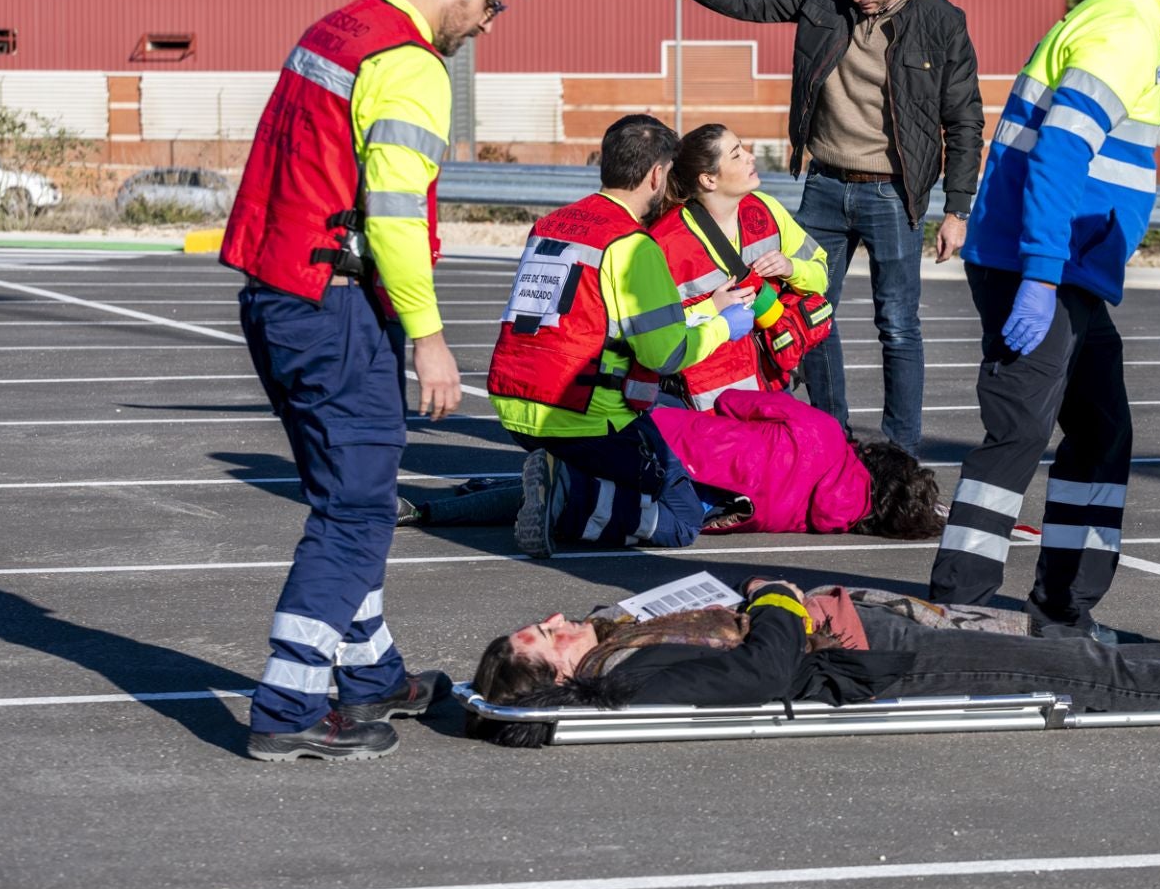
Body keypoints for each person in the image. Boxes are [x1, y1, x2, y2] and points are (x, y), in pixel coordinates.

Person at [222, 0, 531, 762]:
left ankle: (370, 677)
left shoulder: (338, 28)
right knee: (357, 508)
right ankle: (287, 706)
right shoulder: (411, 62)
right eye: (492, 4)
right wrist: (429, 337)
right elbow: (393, 213)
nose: (488, 24)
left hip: (279, 293)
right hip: (336, 310)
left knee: (343, 492)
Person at [927, 0, 1160, 640]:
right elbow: (1060, 155)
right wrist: (1040, 276)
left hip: (1064, 267)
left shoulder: (1120, 18)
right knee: (1020, 432)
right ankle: (957, 609)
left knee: (1100, 431)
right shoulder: (1124, 29)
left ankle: (1063, 609)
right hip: (1043, 264)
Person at [641, 0, 983, 456]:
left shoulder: (941, 21)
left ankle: (901, 452)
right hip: (824, 183)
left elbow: (964, 120)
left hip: (894, 193)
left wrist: (957, 209)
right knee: (811, 313)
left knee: (898, 324)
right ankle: (831, 438)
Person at [466, 579, 1160, 748]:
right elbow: (762, 675)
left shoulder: (615, 642)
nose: (555, 619)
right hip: (882, 661)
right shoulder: (627, 679)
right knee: (1087, 673)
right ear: (557, 679)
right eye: (544, 637)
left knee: (1069, 651)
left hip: (866, 627)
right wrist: (773, 597)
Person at [488, 114, 758, 560]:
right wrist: (724, 327)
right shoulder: (632, 246)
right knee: (682, 517)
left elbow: (593, 316)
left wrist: (709, 307)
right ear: (656, 175)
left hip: (518, 405)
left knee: (609, 473)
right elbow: (665, 354)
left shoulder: (550, 225)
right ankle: (565, 493)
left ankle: (551, 484)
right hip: (584, 419)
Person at [403, 388, 943, 543]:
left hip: (674, 443)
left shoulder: (823, 431)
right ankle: (428, 513)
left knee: (564, 475)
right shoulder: (830, 522)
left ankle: (439, 502)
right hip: (694, 501)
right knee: (560, 493)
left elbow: (732, 401)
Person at [648, 123, 830, 409]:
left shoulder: (767, 209)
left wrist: (791, 268)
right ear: (709, 179)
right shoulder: (665, 242)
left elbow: (822, 275)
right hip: (708, 406)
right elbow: (649, 329)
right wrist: (712, 308)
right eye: (736, 154)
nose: (750, 157)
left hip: (774, 390)